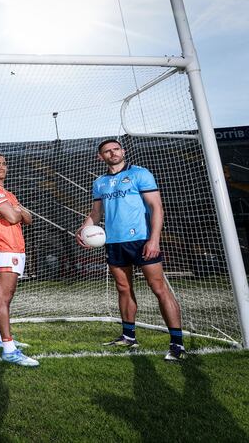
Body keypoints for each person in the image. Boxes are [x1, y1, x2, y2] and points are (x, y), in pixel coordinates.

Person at [77, 139, 186, 361]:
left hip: (142, 240)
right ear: (101, 157)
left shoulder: (140, 174)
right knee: (123, 288)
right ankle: (128, 336)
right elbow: (96, 213)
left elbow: (157, 207)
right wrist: (83, 230)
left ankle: (177, 344)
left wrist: (154, 240)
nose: (112, 153)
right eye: (107, 151)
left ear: (123, 151)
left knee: (159, 288)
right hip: (114, 243)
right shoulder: (99, 183)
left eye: (116, 149)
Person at [0, 152, 39, 367]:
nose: (2, 167)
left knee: (9, 294)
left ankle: (1, 337)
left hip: (15, 248)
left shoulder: (8, 193)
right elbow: (15, 217)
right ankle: (8, 349)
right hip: (3, 248)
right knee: (3, 297)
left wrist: (17, 209)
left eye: (4, 163)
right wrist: (17, 211)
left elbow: (29, 218)